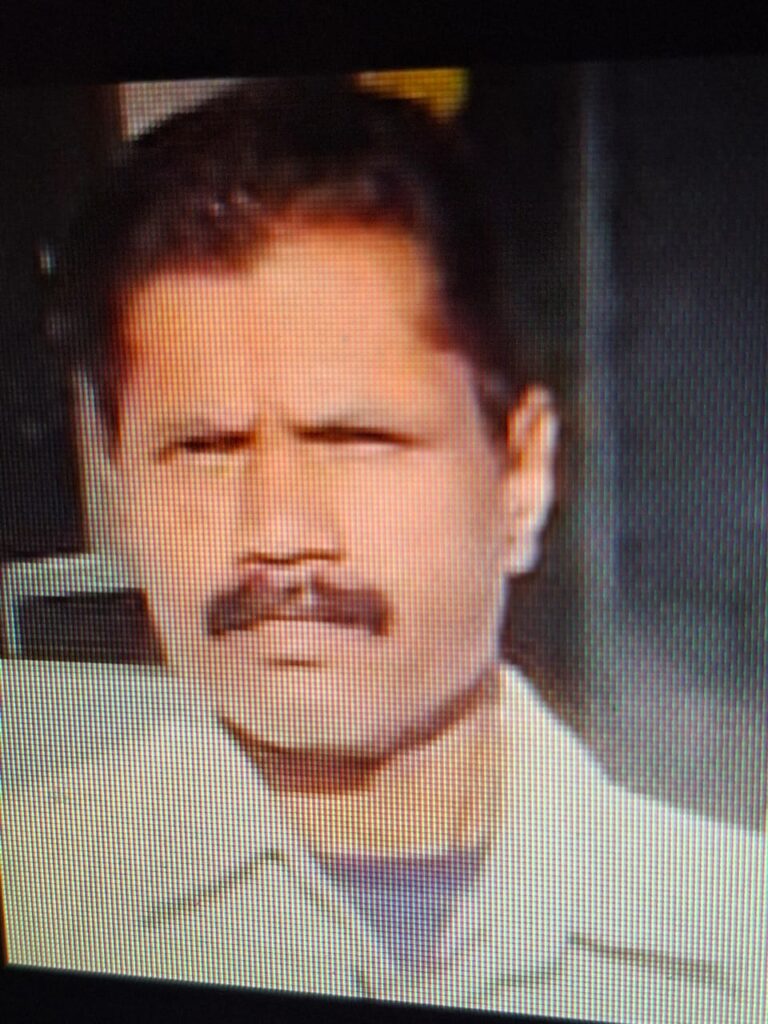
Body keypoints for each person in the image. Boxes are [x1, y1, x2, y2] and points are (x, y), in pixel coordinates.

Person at [2, 75, 765, 1022]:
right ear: (121, 485)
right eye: (203, 449)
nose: (278, 533)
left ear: (521, 475)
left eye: (355, 440)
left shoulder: (734, 941)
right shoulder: (37, 904)